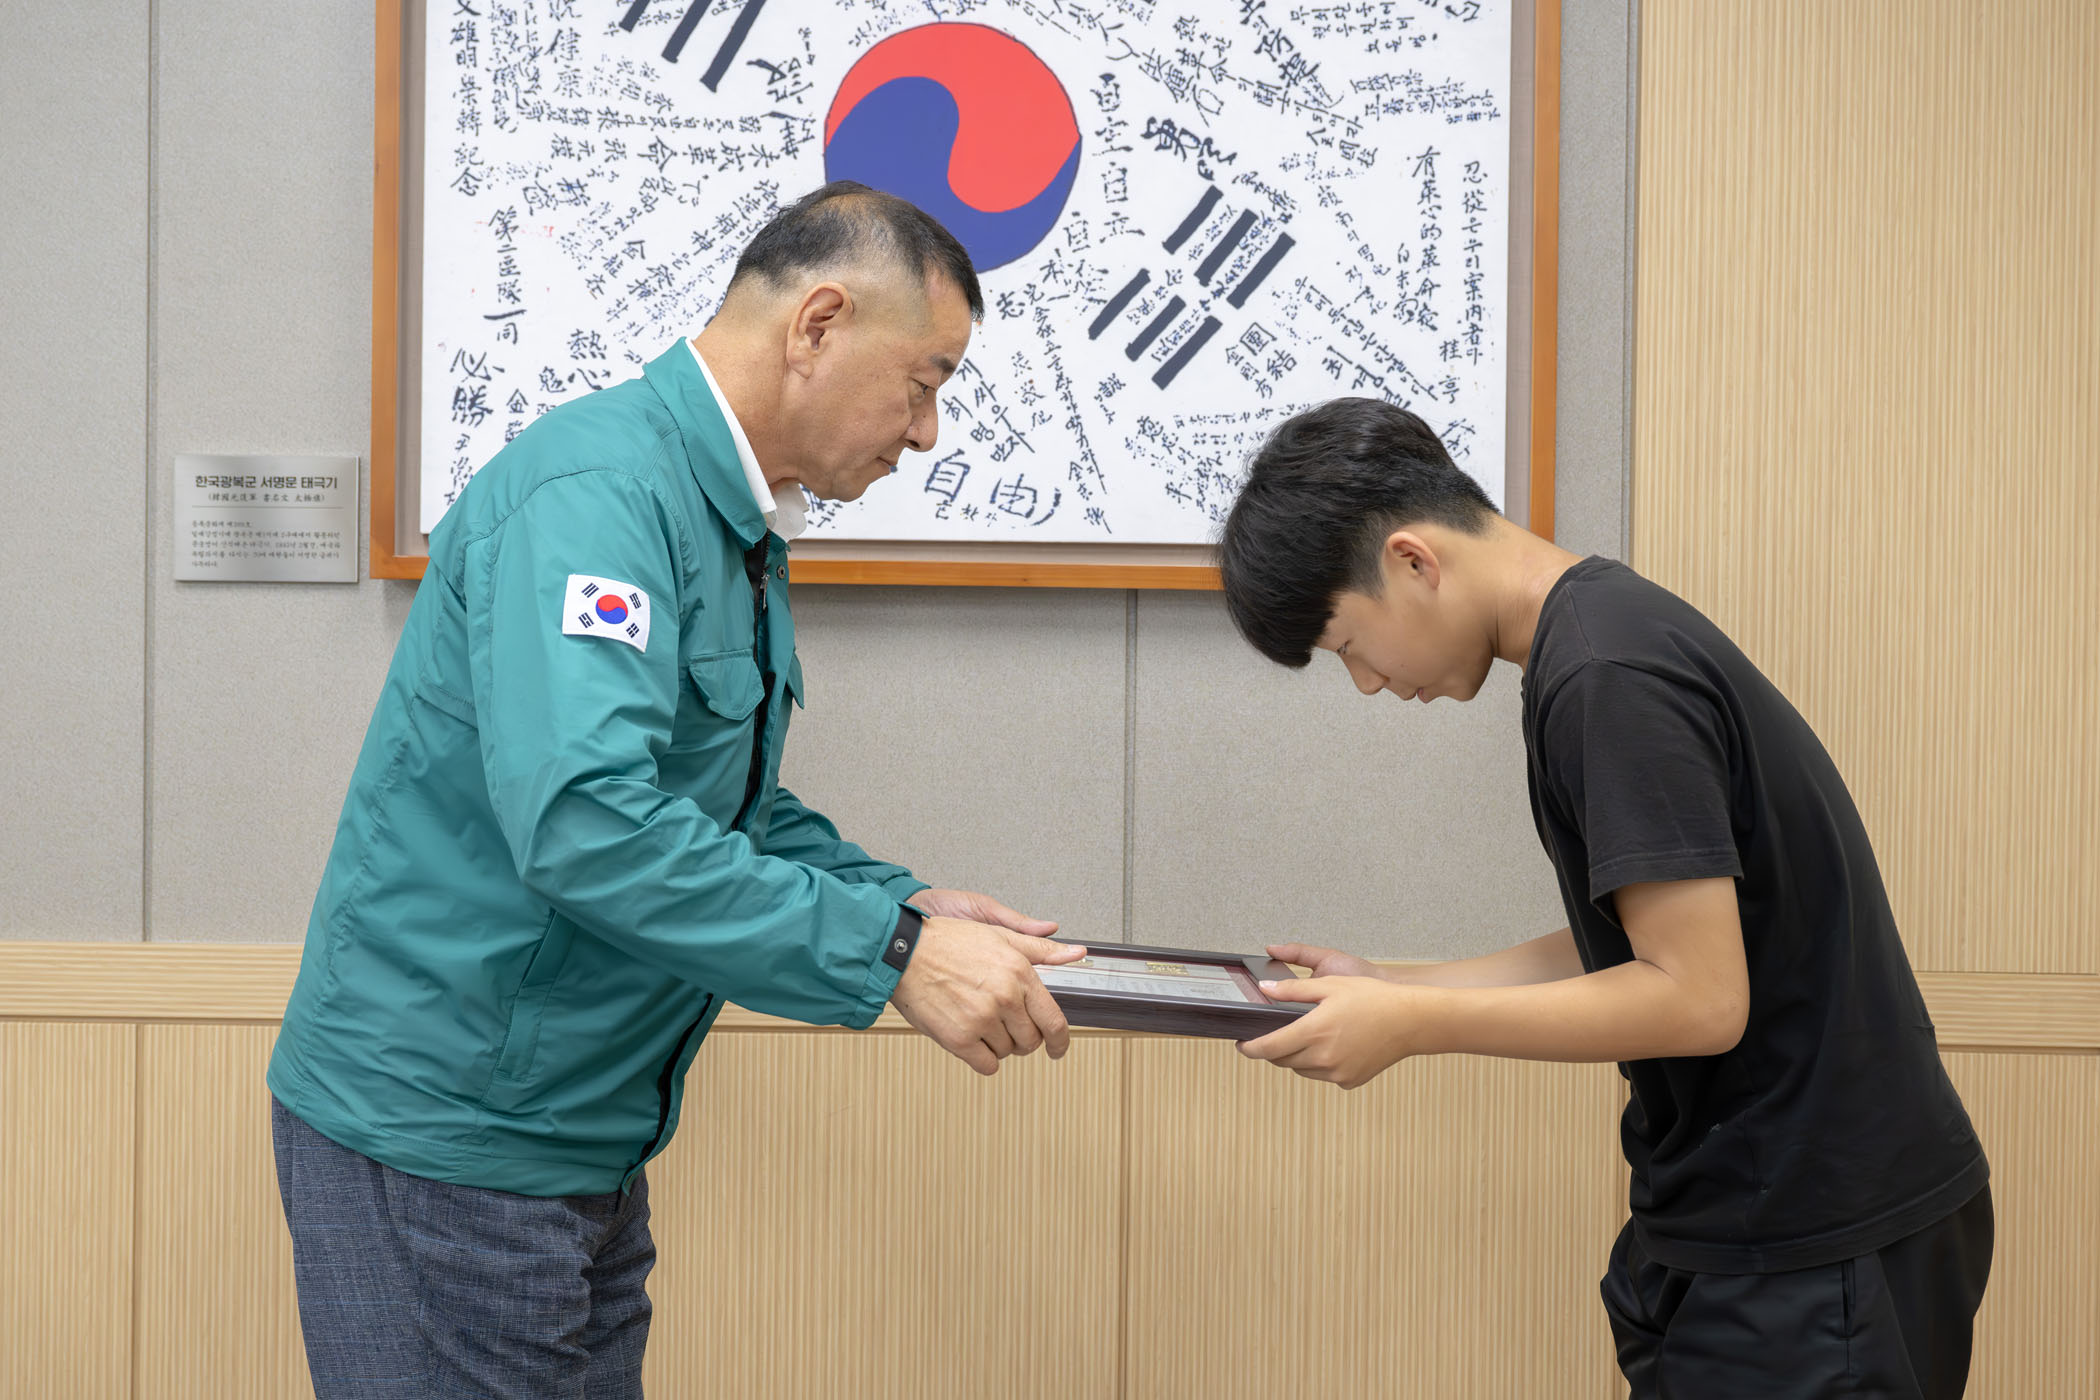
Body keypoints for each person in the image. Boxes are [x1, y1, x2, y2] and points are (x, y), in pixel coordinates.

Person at [267, 182, 1086, 1398]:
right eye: (923, 383)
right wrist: (893, 954)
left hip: (574, 1143)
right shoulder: (599, 499)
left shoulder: (724, 519)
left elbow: (714, 807)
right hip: (451, 1140)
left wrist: (902, 904)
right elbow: (588, 824)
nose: (926, 433)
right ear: (818, 323)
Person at [1217, 397, 1991, 1399]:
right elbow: (1637, 938)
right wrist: (1396, 986)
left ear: (1412, 561)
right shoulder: (1599, 634)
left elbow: (1700, 998)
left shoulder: (1606, 673)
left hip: (1815, 1233)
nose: (1368, 684)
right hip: (1782, 1211)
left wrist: (1413, 1024)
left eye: (1350, 646)